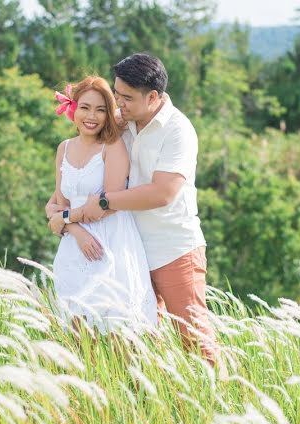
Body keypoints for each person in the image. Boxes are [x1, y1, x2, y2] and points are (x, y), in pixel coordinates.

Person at [48, 53, 219, 365]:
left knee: (194, 339)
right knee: (137, 343)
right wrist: (65, 216)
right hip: (127, 247)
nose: (118, 103)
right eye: (116, 94)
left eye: (126, 98)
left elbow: (162, 193)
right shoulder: (121, 124)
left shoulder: (178, 130)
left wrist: (103, 202)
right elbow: (72, 175)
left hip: (172, 249)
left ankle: (224, 405)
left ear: (152, 97)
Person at [45, 75, 158, 333]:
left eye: (100, 110)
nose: (92, 116)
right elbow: (59, 203)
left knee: (116, 329)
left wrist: (61, 218)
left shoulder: (112, 146)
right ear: (73, 109)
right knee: (76, 330)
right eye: (85, 107)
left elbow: (108, 204)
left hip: (110, 241)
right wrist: (74, 230)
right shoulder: (64, 148)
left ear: (109, 114)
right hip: (75, 246)